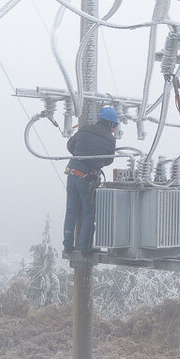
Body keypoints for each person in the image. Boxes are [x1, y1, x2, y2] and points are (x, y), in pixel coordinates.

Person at [63, 105, 118, 258]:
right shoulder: (109, 139)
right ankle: (85, 249)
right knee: (88, 212)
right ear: (111, 124)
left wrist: (82, 154)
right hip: (87, 179)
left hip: (72, 173)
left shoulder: (84, 129)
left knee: (71, 211)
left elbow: (70, 146)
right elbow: (108, 161)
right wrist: (94, 160)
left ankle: (68, 245)